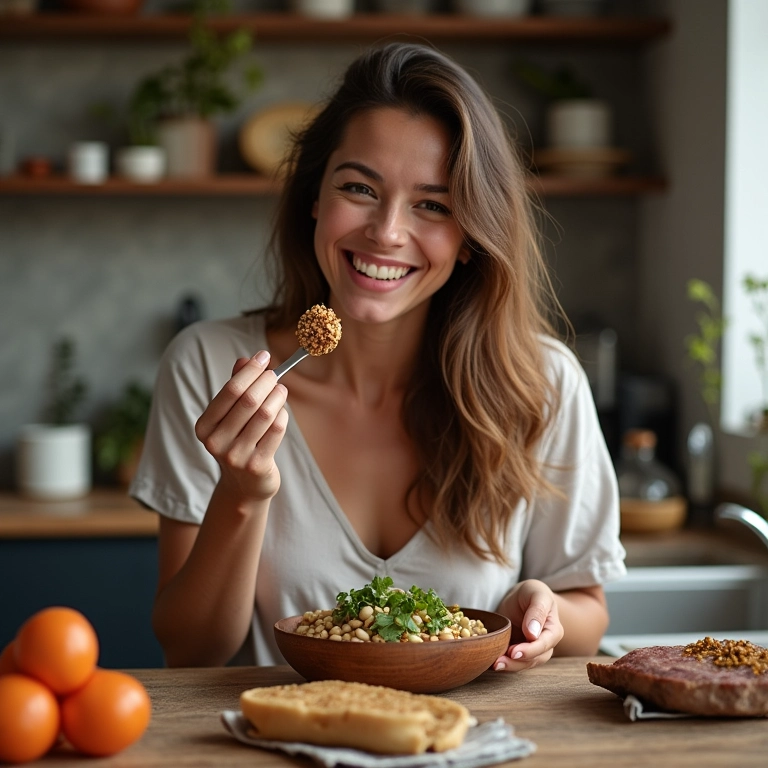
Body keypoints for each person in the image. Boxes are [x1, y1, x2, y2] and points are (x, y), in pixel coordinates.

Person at [130, 41, 626, 672]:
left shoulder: (544, 382)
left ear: (471, 235)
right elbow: (191, 650)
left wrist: (539, 606)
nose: (387, 231)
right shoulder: (207, 364)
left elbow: (587, 612)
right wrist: (242, 494)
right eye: (360, 187)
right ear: (315, 197)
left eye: (433, 204)